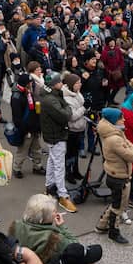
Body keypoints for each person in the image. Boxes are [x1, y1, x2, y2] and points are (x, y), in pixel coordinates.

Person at [95, 107, 133, 244]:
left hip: (113, 174)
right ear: (113, 121)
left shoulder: (112, 133)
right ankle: (114, 232)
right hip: (119, 177)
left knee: (115, 202)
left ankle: (101, 225)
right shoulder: (115, 138)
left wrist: (127, 143)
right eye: (121, 118)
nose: (124, 119)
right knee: (118, 207)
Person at [39, 71, 77, 213]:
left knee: (52, 160)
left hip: (52, 134)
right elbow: (65, 114)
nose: (62, 83)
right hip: (56, 135)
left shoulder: (50, 94)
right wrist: (68, 108)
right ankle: (62, 195)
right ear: (54, 84)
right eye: (60, 82)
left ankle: (49, 187)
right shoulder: (51, 99)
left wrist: (65, 107)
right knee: (59, 165)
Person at [8, 194, 80, 264]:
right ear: (43, 218)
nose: (57, 212)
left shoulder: (16, 225)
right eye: (54, 211)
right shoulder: (53, 237)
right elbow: (76, 247)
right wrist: (62, 226)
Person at [62, 73, 88, 184]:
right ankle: (69, 173)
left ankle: (76, 171)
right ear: (72, 84)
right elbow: (72, 116)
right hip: (72, 130)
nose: (80, 84)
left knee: (76, 152)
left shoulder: (76, 93)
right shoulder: (67, 98)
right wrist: (83, 109)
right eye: (77, 83)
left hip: (80, 128)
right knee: (70, 153)